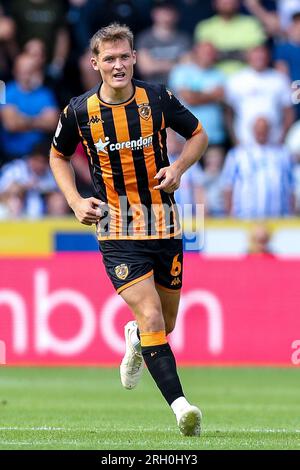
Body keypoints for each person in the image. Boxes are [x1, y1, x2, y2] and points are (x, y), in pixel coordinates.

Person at [49, 23, 208, 436]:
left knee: (164, 324)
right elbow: (57, 156)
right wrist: (75, 201)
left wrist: (178, 168)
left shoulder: (156, 98)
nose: (118, 65)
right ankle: (182, 408)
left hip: (163, 222)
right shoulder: (80, 111)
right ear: (94, 63)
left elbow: (198, 135)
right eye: (109, 58)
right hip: (116, 227)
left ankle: (135, 336)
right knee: (153, 314)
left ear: (134, 58)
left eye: (124, 57)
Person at [221, 117, 295, 218]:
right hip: (243, 219)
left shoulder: (283, 154)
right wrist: (229, 215)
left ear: (270, 130)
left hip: (279, 219)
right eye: (258, 129)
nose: (261, 132)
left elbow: (291, 187)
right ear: (252, 130)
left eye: (264, 129)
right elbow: (228, 187)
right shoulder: (237, 155)